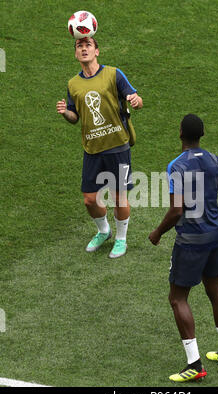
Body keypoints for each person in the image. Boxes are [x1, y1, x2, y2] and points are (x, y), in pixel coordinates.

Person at [149, 114, 218, 382]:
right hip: (216, 237)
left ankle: (194, 363)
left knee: (177, 298)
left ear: (180, 132)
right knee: (214, 289)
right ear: (202, 135)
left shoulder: (176, 166)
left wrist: (157, 232)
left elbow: (176, 210)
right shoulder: (214, 160)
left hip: (191, 241)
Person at [56, 37, 143, 258]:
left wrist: (136, 100)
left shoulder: (113, 74)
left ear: (97, 51)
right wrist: (65, 112)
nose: (83, 49)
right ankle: (104, 231)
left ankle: (121, 239)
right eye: (79, 46)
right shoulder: (73, 84)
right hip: (92, 149)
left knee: (119, 197)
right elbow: (74, 117)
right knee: (89, 198)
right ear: (75, 53)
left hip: (118, 147)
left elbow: (136, 99)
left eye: (88, 45)